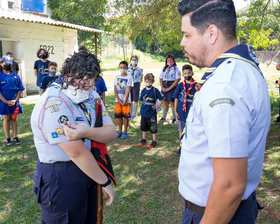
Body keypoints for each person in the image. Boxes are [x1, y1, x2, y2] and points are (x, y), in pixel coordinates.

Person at [177, 1, 271, 224]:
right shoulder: (242, 69)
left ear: (211, 34)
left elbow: (230, 185)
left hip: (216, 214)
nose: (182, 42)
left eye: (187, 35)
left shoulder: (224, 85)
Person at [31, 51, 116, 223]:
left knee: (88, 219)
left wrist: (86, 132)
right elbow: (76, 152)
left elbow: (110, 133)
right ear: (69, 75)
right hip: (60, 175)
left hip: (88, 168)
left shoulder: (91, 94)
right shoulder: (53, 103)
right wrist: (105, 182)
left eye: (90, 84)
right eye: (82, 84)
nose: (87, 89)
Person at [0, 56, 24, 145]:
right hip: (4, 102)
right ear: (1, 64)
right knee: (6, 118)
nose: (7, 65)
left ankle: (15, 136)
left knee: (14, 118)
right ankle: (7, 138)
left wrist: (16, 100)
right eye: (5, 63)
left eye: (9, 63)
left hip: (15, 102)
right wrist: (6, 101)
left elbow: (20, 89)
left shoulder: (15, 76)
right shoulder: (0, 76)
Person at [173, 64, 196, 154]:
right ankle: (181, 146)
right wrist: (175, 111)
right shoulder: (180, 86)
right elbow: (175, 98)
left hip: (191, 113)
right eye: (185, 73)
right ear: (183, 74)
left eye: (189, 73)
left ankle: (191, 147)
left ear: (192, 73)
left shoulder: (196, 86)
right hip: (181, 112)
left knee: (191, 130)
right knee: (181, 130)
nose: (187, 75)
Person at [138, 73, 164, 148]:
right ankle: (144, 139)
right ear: (144, 81)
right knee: (143, 127)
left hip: (152, 113)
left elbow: (162, 99)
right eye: (146, 81)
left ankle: (154, 141)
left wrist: (157, 106)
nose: (148, 83)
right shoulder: (143, 90)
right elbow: (141, 100)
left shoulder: (155, 91)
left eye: (150, 81)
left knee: (153, 127)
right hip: (144, 112)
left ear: (153, 82)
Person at [114, 61, 134, 139]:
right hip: (118, 101)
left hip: (126, 101)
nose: (122, 69)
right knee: (119, 116)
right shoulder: (117, 77)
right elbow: (115, 89)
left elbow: (128, 89)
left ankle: (125, 131)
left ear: (127, 68)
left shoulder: (129, 77)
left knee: (126, 116)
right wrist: (119, 100)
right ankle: (119, 131)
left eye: (124, 67)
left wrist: (125, 100)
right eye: (121, 67)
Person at [159, 54, 181, 124]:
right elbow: (160, 78)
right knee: (165, 102)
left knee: (172, 103)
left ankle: (174, 118)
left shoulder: (176, 68)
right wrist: (162, 87)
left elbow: (178, 79)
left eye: (171, 60)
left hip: (172, 86)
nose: (169, 62)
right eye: (168, 60)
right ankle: (164, 117)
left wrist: (169, 88)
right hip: (164, 85)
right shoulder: (164, 68)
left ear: (173, 61)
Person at [127, 55, 143, 120]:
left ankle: (134, 114)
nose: (133, 61)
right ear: (130, 60)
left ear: (137, 61)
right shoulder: (127, 68)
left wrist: (140, 83)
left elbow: (141, 76)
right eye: (132, 60)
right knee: (130, 100)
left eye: (135, 60)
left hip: (136, 84)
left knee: (135, 100)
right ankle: (130, 114)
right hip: (129, 85)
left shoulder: (139, 69)